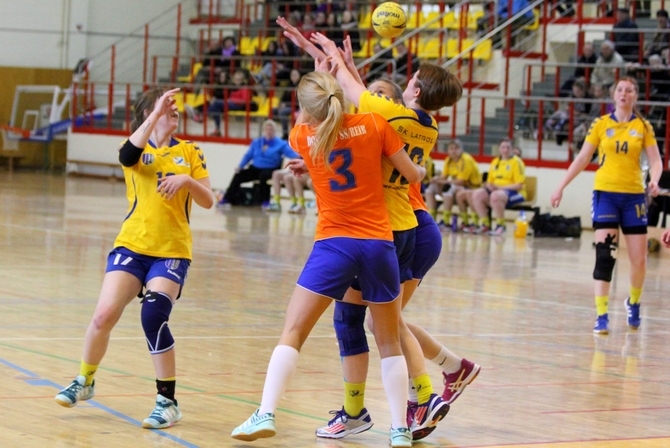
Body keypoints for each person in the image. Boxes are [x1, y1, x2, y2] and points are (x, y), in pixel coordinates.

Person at [279, 22, 478, 442]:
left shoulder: (384, 119)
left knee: (378, 321)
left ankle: (420, 395)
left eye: (386, 93)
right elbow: (352, 110)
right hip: (403, 226)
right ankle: (449, 369)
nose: (376, 96)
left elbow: (345, 96)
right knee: (377, 320)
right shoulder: (417, 123)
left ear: (410, 93)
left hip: (399, 225)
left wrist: (329, 57)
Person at [231, 70, 426, 448]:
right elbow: (411, 174)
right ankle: (400, 429)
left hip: (334, 244)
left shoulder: (302, 137)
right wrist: (418, 166)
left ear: (307, 108)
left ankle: (266, 412)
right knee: (389, 341)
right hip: (378, 244)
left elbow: (321, 139)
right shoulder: (375, 124)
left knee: (294, 331)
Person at [54, 88, 214, 428]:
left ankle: (167, 402)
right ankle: (85, 380)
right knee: (103, 316)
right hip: (131, 246)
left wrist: (187, 181)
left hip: (171, 250)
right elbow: (128, 156)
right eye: (166, 106)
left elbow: (208, 200)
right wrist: (155, 114)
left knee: (153, 314)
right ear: (147, 113)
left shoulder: (190, 150)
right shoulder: (134, 147)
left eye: (174, 107)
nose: (174, 110)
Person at [550, 77, 662, 334]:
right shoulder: (600, 124)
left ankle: (633, 302)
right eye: (620, 90)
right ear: (613, 95)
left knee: (639, 260)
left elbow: (656, 161)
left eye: (629, 90)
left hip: (634, 197)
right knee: (605, 256)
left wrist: (654, 180)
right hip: (606, 195)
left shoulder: (643, 126)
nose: (624, 94)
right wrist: (560, 186)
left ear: (635, 96)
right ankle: (601, 315)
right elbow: (583, 157)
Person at [218, 120, 299, 207]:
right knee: (238, 175)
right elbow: (248, 155)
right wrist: (240, 166)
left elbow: (292, 154)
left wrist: (301, 157)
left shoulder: (281, 144)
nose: (269, 132)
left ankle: (265, 200)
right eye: (267, 130)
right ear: (264, 131)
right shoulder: (256, 142)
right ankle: (227, 198)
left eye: (271, 130)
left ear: (274, 131)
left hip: (270, 168)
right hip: (255, 168)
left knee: (263, 176)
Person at [465, 139, 526, 236]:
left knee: (495, 196)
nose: (505, 150)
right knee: (476, 194)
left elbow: (519, 185)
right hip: (497, 191)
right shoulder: (495, 161)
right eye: (503, 147)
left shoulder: (517, 162)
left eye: (508, 147)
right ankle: (485, 224)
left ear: (512, 149)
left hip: (515, 193)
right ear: (499, 149)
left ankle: (500, 225)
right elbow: (490, 181)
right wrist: (489, 186)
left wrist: (499, 187)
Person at [424, 139, 481, 230]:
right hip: (457, 187)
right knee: (430, 187)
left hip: (471, 187)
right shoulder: (449, 160)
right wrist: (436, 179)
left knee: (448, 188)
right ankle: (431, 219)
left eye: (456, 148)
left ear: (461, 149)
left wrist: (442, 182)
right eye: (451, 148)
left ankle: (446, 221)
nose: (453, 151)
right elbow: (444, 176)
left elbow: (461, 181)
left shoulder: (466, 160)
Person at [207, 69, 256, 137]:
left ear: (242, 80)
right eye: (236, 79)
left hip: (238, 105)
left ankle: (203, 116)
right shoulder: (233, 87)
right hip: (231, 103)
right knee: (216, 109)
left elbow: (244, 101)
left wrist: (232, 100)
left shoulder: (245, 88)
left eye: (239, 79)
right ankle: (217, 130)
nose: (237, 81)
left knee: (216, 103)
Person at [272, 68, 302, 138]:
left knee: (282, 112)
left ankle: (285, 133)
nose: (293, 76)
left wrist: (286, 104)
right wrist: (281, 103)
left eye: (295, 75)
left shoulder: (301, 86)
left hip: (295, 107)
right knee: (272, 111)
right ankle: (271, 134)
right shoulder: (289, 85)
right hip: (286, 106)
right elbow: (283, 97)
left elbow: (299, 101)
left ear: (299, 76)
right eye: (292, 75)